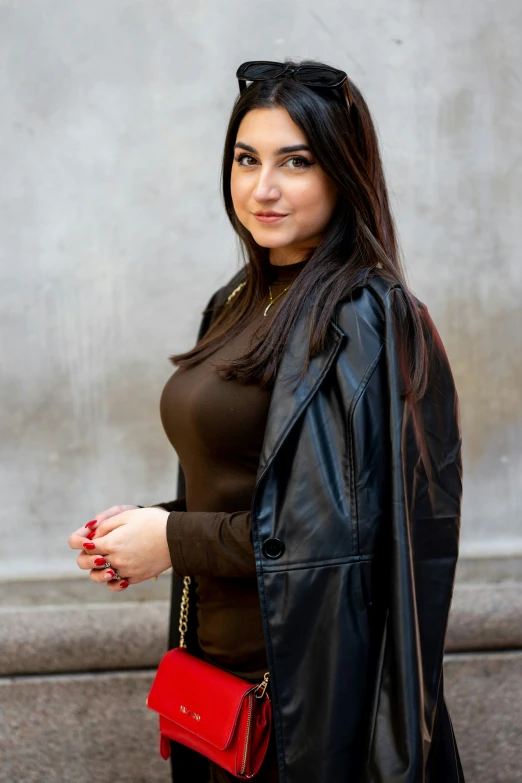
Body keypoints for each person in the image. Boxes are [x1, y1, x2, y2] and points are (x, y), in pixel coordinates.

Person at [68, 59, 465, 783]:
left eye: (296, 162)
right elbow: (252, 489)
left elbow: (343, 536)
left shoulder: (369, 317)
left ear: (343, 171)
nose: (263, 187)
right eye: (247, 159)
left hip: (308, 700)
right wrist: (143, 528)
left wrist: (173, 540)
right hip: (213, 691)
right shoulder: (236, 299)